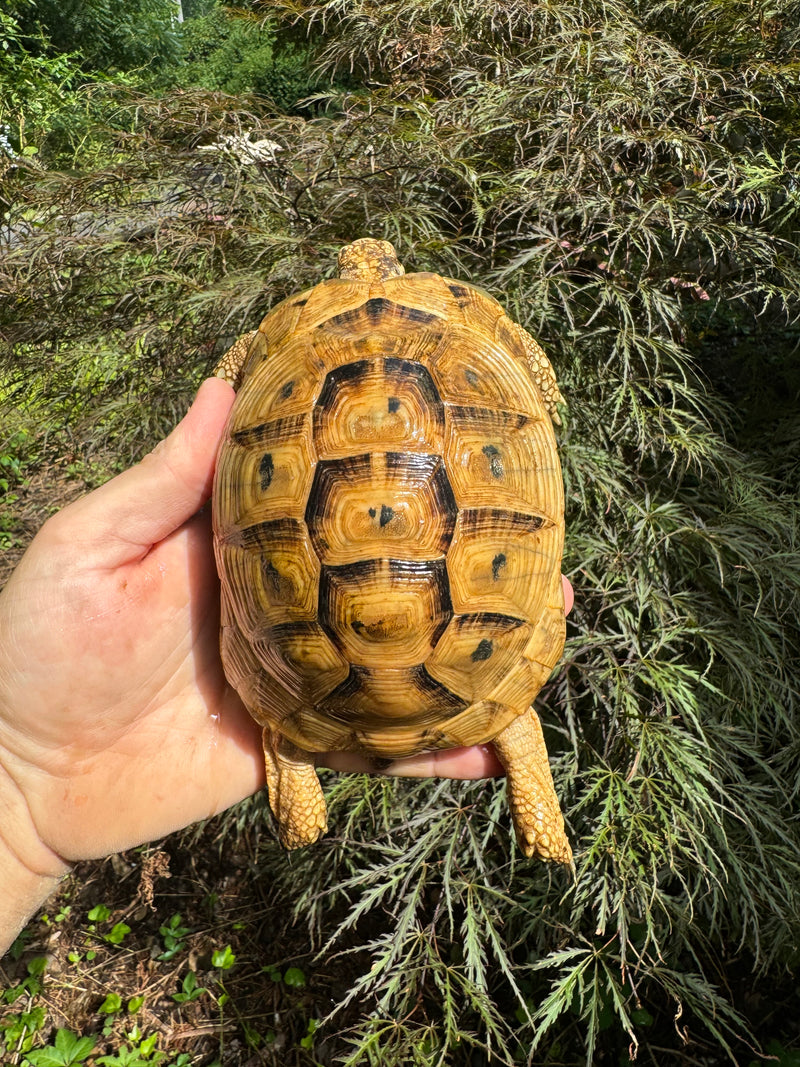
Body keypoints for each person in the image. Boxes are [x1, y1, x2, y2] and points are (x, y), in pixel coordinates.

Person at [0, 377, 574, 955]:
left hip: (295, 667)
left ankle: (294, 751)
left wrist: (19, 796)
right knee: (504, 701)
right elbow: (520, 368)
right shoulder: (471, 342)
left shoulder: (280, 350)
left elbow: (236, 375)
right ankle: (524, 765)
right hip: (454, 663)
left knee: (292, 707)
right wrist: (20, 794)